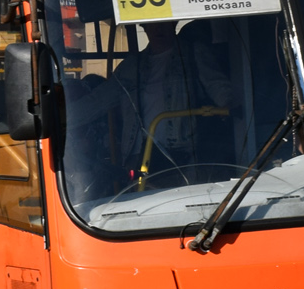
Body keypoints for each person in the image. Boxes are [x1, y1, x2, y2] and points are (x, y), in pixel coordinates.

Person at [64, 19, 236, 190]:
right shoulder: (131, 66)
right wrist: (63, 119)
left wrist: (228, 104)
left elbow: (217, 85)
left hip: (181, 156)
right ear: (143, 26)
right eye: (152, 23)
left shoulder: (193, 54)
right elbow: (99, 101)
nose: (159, 28)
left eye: (164, 22)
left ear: (173, 23)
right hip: (138, 156)